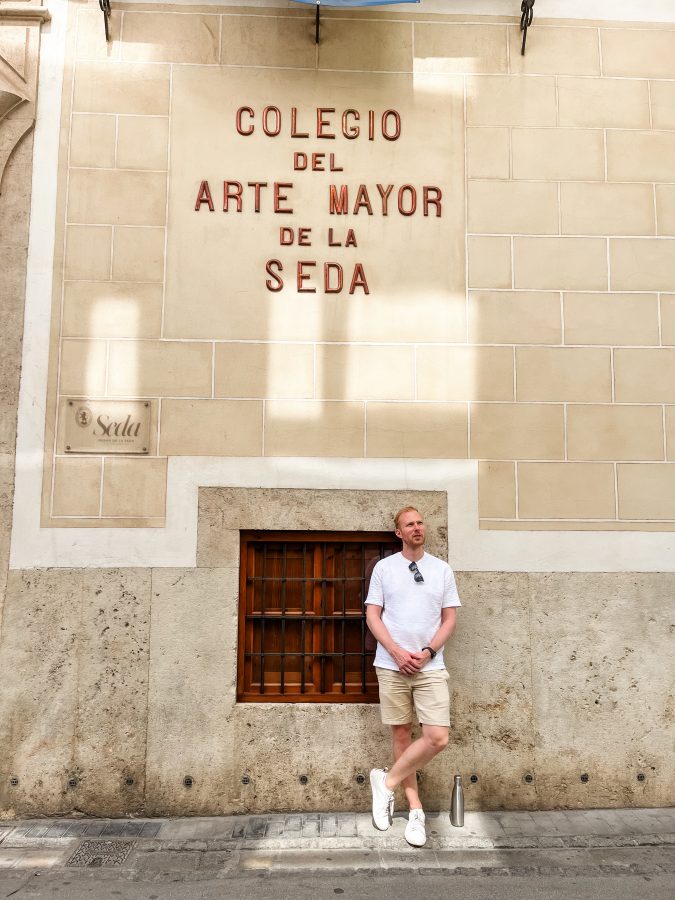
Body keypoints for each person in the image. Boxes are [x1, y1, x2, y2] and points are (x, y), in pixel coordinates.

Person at [365, 506, 461, 847]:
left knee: (437, 737)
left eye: (420, 522)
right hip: (391, 665)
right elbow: (373, 615)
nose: (417, 528)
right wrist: (395, 651)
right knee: (402, 736)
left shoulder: (442, 570)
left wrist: (428, 652)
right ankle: (416, 813)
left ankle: (386, 783)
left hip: (429, 666)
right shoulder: (384, 568)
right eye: (410, 524)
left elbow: (449, 619)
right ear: (399, 533)